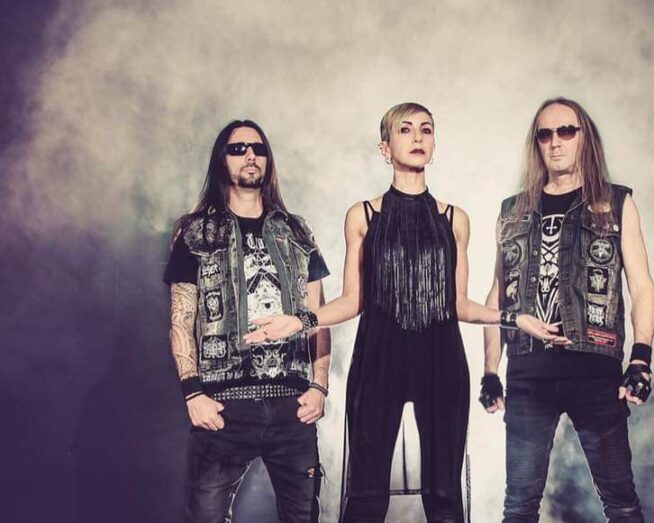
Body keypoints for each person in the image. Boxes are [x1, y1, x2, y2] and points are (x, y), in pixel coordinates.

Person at [248, 102, 545, 523]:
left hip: (441, 363)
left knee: (444, 498)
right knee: (367, 496)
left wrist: (512, 318)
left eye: (426, 129)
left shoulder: (455, 219)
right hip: (378, 361)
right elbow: (353, 300)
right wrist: (300, 321)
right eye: (405, 130)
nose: (417, 137)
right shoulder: (363, 216)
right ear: (385, 148)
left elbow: (458, 304)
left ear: (434, 144)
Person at [480, 97, 654, 523]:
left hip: (594, 366)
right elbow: (497, 294)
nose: (555, 142)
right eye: (545, 134)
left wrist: (641, 359)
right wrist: (489, 370)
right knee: (518, 505)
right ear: (536, 143)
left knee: (620, 501)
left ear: (584, 138)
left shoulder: (616, 202)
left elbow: (642, 286)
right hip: (528, 372)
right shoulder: (512, 211)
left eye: (566, 131)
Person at [164, 119, 331, 523]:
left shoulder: (298, 231)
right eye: (237, 149)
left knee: (303, 517)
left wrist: (319, 386)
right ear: (221, 160)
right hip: (224, 406)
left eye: (258, 148)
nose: (250, 155)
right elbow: (181, 319)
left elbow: (319, 318)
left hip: (291, 405)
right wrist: (192, 393)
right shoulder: (195, 232)